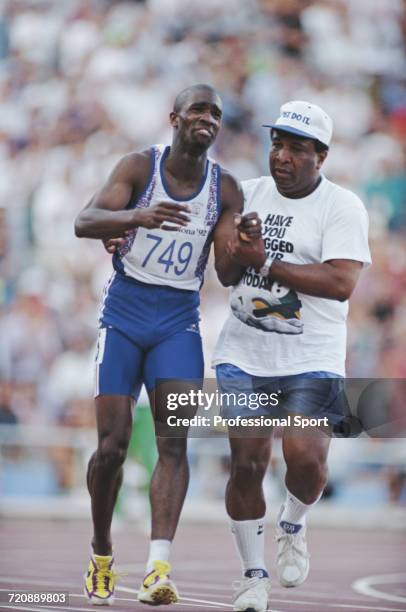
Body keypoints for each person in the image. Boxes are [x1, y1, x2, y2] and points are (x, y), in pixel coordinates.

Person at [74, 84, 260, 606]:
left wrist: (242, 246)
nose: (208, 118)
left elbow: (224, 273)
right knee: (110, 449)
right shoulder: (139, 168)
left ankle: (158, 568)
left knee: (173, 444)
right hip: (125, 315)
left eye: (216, 114)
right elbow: (84, 221)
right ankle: (102, 554)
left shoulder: (226, 189)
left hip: (178, 322)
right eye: (199, 109)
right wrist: (137, 216)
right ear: (175, 117)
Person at [212, 100, 372, 612]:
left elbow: (342, 283)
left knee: (305, 461)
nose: (281, 155)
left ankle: (292, 524)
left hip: (312, 356)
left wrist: (268, 261)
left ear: (320, 157)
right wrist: (237, 250)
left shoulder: (341, 206)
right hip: (245, 352)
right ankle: (252, 574)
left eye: (296, 148)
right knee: (246, 463)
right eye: (277, 143)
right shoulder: (249, 194)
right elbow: (226, 275)